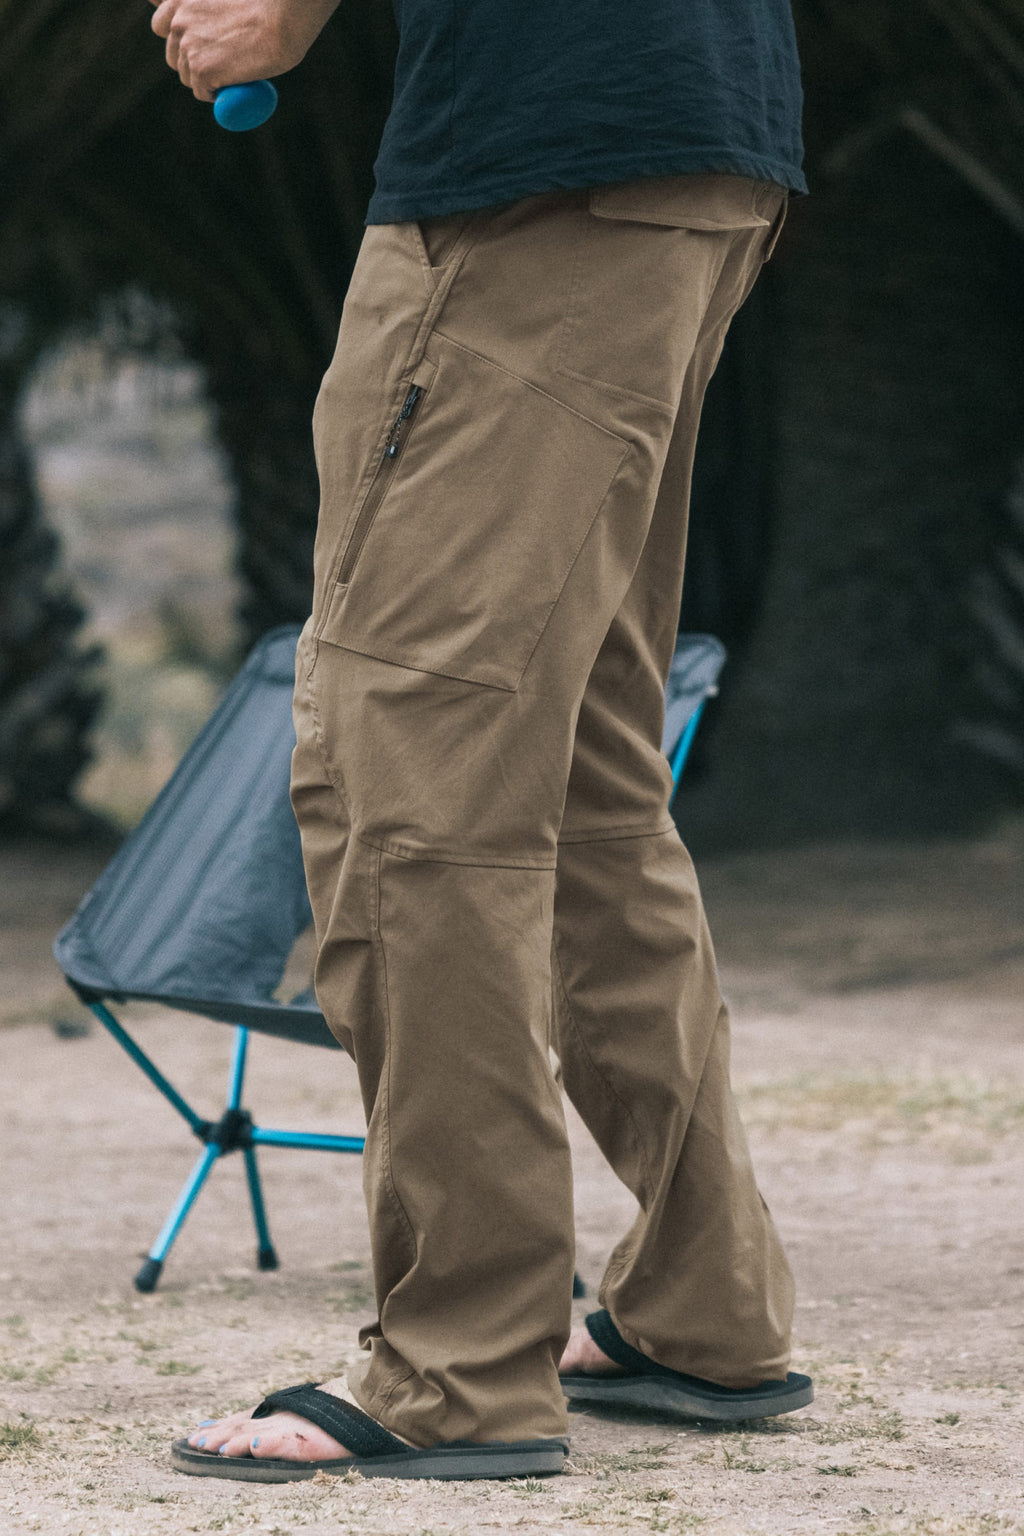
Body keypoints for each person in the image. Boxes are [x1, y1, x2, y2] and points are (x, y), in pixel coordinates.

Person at [153, 0, 813, 1484]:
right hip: (678, 149)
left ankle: (460, 1365)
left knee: (413, 777)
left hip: (546, 174)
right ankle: (706, 1309)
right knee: (584, 776)